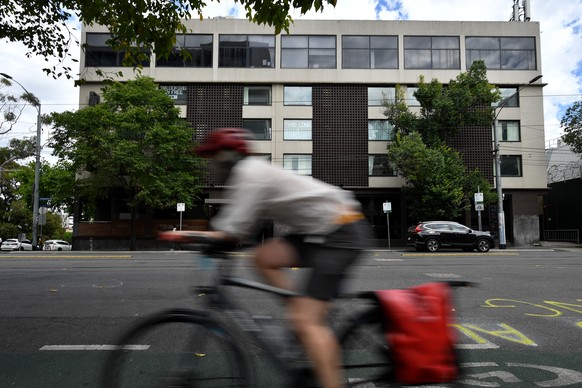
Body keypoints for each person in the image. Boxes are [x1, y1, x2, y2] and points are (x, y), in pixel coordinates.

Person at [166, 128, 370, 388]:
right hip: (319, 231)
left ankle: (311, 331)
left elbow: (233, 230)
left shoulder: (250, 174)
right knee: (263, 256)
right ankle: (300, 314)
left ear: (227, 156)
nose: (211, 165)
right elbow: (240, 228)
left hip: (341, 232)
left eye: (213, 157)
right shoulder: (247, 175)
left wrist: (188, 235)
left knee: (308, 322)